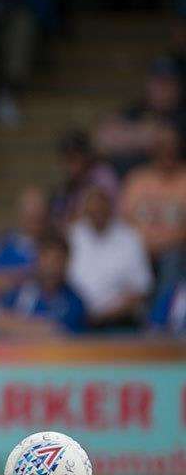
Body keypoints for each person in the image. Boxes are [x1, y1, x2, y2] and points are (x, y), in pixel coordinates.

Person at [67, 186, 153, 329]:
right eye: (92, 210)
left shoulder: (130, 238)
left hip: (118, 322)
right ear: (85, 211)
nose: (97, 213)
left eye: (101, 209)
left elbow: (141, 290)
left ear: (111, 209)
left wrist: (104, 315)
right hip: (75, 320)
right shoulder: (72, 236)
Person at [119, 127, 186, 290]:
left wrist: (161, 246)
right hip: (138, 251)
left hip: (176, 251)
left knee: (172, 259)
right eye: (162, 147)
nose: (168, 152)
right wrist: (140, 247)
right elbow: (123, 222)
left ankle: (162, 313)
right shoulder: (137, 180)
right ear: (153, 150)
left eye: (172, 147)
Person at [0, 233, 87, 337]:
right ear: (37, 260)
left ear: (66, 262)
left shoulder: (75, 302)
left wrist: (17, 325)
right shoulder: (19, 293)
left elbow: (60, 334)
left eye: (57, 260)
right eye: (46, 258)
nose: (51, 266)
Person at [48, 129, 119, 229]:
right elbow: (58, 219)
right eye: (65, 160)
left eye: (73, 159)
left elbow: (99, 215)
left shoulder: (103, 177)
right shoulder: (65, 187)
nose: (69, 166)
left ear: (86, 156)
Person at [0, 186, 49, 297]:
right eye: (30, 217)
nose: (35, 221)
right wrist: (32, 273)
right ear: (20, 216)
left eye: (38, 216)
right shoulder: (7, 244)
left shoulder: (55, 243)